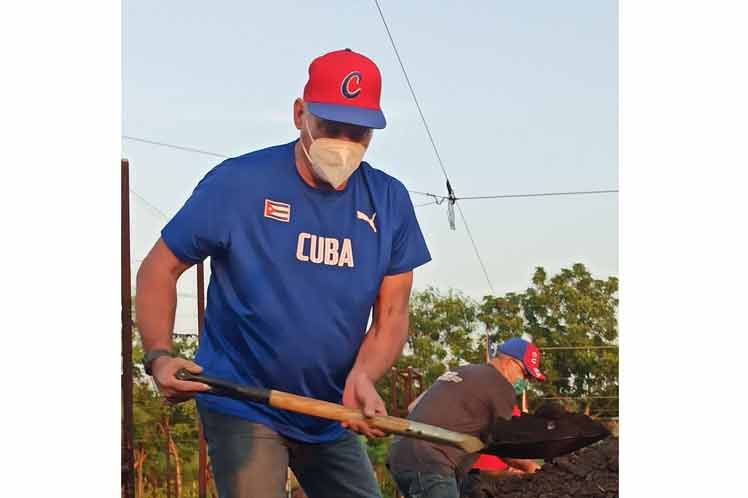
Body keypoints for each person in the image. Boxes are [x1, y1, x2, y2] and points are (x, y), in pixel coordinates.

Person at [135, 48, 431, 498]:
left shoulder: (388, 201)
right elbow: (159, 268)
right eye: (331, 126)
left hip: (330, 409)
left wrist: (364, 376)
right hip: (242, 400)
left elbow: (391, 314)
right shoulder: (239, 184)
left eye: (358, 132)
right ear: (299, 114)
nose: (343, 142)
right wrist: (158, 354)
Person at [387, 338, 545, 498]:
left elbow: (412, 407)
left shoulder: (462, 371)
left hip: (400, 456)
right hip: (432, 463)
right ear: (510, 363)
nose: (525, 382)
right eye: (525, 375)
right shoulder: (501, 386)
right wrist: (534, 469)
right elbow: (505, 444)